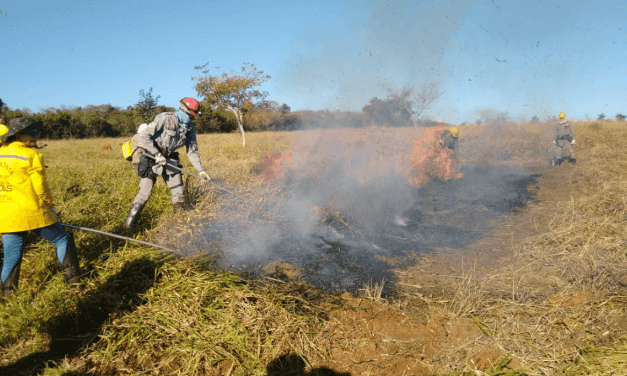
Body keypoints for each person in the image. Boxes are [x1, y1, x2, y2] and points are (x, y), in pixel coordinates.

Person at [0, 118, 81, 298]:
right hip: (32, 212)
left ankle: (6, 300)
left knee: (11, 256)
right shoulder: (31, 156)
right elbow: (41, 189)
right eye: (32, 133)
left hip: (6, 216)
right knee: (62, 239)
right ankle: (75, 282)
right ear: (19, 135)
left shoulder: (1, 152)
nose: (36, 137)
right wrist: (50, 205)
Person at [124, 97, 210, 229]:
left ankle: (179, 225)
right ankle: (128, 227)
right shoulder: (165, 118)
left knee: (178, 190)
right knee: (145, 190)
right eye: (190, 115)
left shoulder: (190, 129)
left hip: (169, 157)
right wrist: (157, 154)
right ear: (183, 109)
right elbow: (143, 136)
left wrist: (201, 171)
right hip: (151, 155)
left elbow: (192, 152)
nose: (191, 118)